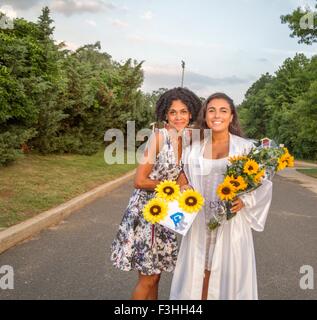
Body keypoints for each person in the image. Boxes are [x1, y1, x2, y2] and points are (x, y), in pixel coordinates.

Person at [170, 92, 273, 300]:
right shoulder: (193, 150)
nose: (217, 115)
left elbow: (263, 183)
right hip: (200, 221)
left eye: (223, 110)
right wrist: (184, 189)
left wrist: (245, 200)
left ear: (232, 116)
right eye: (212, 110)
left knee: (227, 273)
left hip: (230, 224)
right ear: (205, 116)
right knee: (199, 273)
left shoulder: (245, 148)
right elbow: (184, 179)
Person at [110, 87, 202, 300]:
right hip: (146, 213)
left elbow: (181, 177)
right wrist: (173, 187)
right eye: (173, 112)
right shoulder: (159, 137)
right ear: (165, 115)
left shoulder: (188, 140)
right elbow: (139, 180)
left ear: (191, 114)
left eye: (183, 111)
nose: (178, 117)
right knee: (148, 278)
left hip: (166, 213)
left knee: (156, 276)